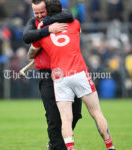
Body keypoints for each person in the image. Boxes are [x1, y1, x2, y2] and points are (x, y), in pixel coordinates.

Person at [30, 0, 116, 150]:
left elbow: (31, 52)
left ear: (47, 13)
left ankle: (70, 148)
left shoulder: (41, 30)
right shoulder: (75, 23)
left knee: (66, 119)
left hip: (60, 77)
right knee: (96, 112)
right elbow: (76, 32)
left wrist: (35, 53)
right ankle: (110, 147)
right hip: (79, 73)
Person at [23, 0, 82, 150]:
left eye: (42, 12)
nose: (39, 16)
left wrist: (49, 21)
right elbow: (26, 36)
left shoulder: (62, 16)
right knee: (53, 117)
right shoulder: (34, 22)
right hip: (47, 74)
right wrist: (47, 30)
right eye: (36, 13)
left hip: (68, 71)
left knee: (75, 113)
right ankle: (56, 146)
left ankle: (55, 144)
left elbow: (69, 15)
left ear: (48, 9)